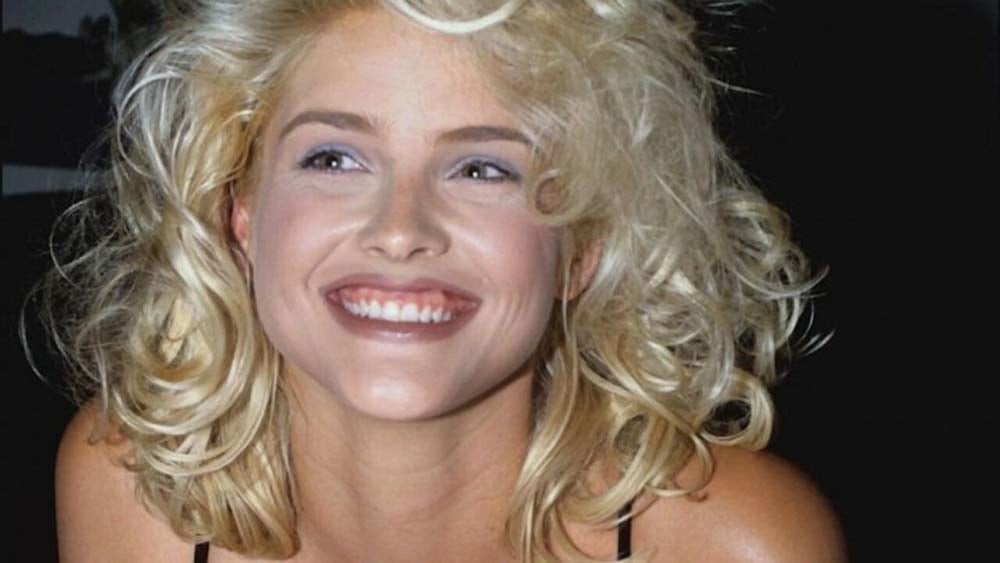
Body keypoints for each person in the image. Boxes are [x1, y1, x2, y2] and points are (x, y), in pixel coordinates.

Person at [48, 1, 846, 561]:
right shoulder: (131, 491)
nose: (401, 229)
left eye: (483, 168)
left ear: (583, 247)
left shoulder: (738, 542)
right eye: (335, 158)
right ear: (242, 213)